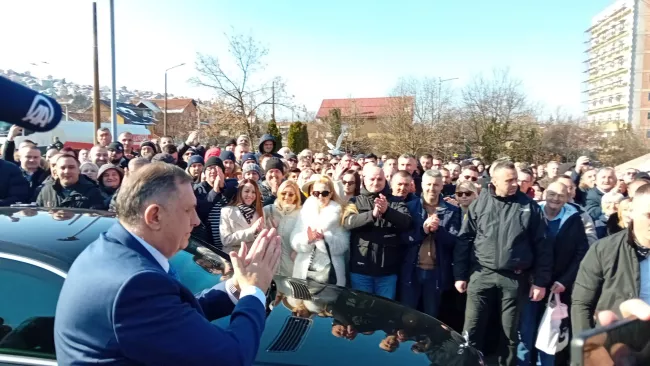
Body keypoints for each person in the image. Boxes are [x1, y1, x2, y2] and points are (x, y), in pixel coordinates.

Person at [54, 162, 280, 365]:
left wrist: (237, 286)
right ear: (154, 216)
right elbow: (231, 357)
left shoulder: (110, 250)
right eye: (188, 209)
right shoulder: (135, 285)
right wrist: (254, 292)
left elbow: (174, 316)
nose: (196, 220)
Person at [453, 160, 552, 366]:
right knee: (471, 329)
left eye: (516, 179)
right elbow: (465, 239)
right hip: (481, 274)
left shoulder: (528, 206)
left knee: (509, 334)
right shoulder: (480, 203)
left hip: (514, 278)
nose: (515, 183)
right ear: (494, 181)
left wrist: (540, 281)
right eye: (509, 180)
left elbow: (542, 245)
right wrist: (460, 275)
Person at [517, 181, 588, 366]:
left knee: (549, 338)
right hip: (529, 285)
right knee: (525, 333)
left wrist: (565, 281)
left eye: (561, 195)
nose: (555, 199)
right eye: (552, 194)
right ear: (544, 194)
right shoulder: (531, 213)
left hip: (558, 288)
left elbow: (581, 253)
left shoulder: (574, 219)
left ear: (568, 198)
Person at [572, 183, 650, 334]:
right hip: (617, 342)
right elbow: (582, 303)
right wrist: (589, 351)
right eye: (648, 215)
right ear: (631, 212)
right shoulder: (604, 249)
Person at [343, 165, 412, 299]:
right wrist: (372, 215)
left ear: (385, 180)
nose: (376, 182)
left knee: (384, 312)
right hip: (361, 270)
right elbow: (348, 222)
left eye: (379, 179)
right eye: (372, 179)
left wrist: (387, 211)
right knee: (362, 310)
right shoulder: (354, 201)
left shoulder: (396, 201)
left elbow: (406, 222)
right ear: (364, 180)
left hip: (387, 272)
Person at [291, 175, 351, 286]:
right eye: (316, 193)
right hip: (304, 269)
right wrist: (307, 239)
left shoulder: (339, 212)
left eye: (324, 193)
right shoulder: (306, 211)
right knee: (303, 300)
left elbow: (344, 245)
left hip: (330, 271)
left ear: (331, 194)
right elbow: (294, 239)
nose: (320, 197)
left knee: (328, 301)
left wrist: (325, 237)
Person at [36, 155, 105, 209]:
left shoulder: (92, 191)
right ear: (56, 171)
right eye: (62, 168)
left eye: (71, 167)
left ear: (78, 170)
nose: (67, 171)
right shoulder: (46, 191)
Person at [264, 180, 302, 277]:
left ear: (296, 196)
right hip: (270, 264)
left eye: (291, 194)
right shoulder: (268, 210)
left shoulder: (301, 213)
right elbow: (257, 235)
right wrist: (267, 228)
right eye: (283, 193)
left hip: (291, 265)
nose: (287, 197)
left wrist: (299, 250)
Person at [220, 179, 265, 254]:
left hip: (255, 257)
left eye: (253, 192)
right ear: (240, 192)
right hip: (234, 258)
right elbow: (226, 240)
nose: (250, 195)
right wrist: (252, 231)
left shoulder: (260, 211)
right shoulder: (227, 211)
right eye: (246, 191)